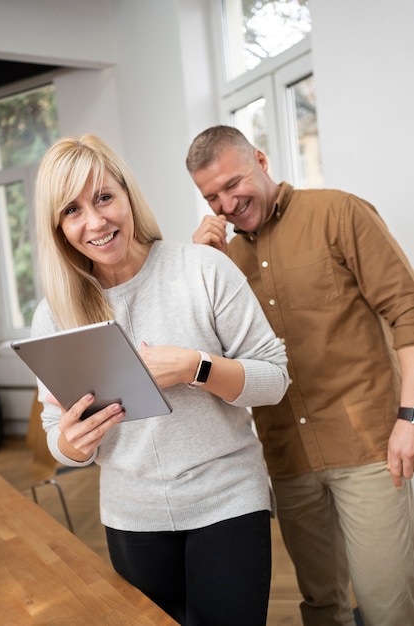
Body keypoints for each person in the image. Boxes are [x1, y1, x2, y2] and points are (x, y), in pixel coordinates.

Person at [31, 133, 289, 626]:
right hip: (131, 516)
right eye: (72, 210)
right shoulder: (56, 315)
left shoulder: (203, 270)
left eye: (104, 197)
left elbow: (273, 380)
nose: (96, 221)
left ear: (128, 194)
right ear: (58, 228)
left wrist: (197, 367)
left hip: (227, 499)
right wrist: (73, 444)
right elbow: (56, 435)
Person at [186, 125, 414, 626]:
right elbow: (218, 366)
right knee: (320, 606)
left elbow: (407, 311)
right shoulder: (218, 263)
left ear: (261, 161)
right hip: (287, 455)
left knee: (386, 606)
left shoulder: (338, 212)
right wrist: (204, 270)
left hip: (368, 446)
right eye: (211, 197)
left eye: (233, 183)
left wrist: (410, 418)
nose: (225, 204)